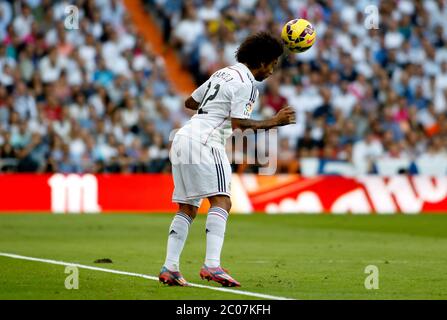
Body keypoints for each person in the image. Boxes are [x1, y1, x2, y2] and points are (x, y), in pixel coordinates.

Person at [159, 32, 296, 287]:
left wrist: (214, 109)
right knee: (222, 200)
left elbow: (191, 101)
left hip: (183, 137)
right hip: (206, 141)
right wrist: (275, 122)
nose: (273, 70)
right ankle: (212, 266)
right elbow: (239, 124)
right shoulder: (247, 84)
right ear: (263, 61)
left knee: (187, 207)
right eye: (273, 64)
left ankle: (171, 267)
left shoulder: (222, 73)